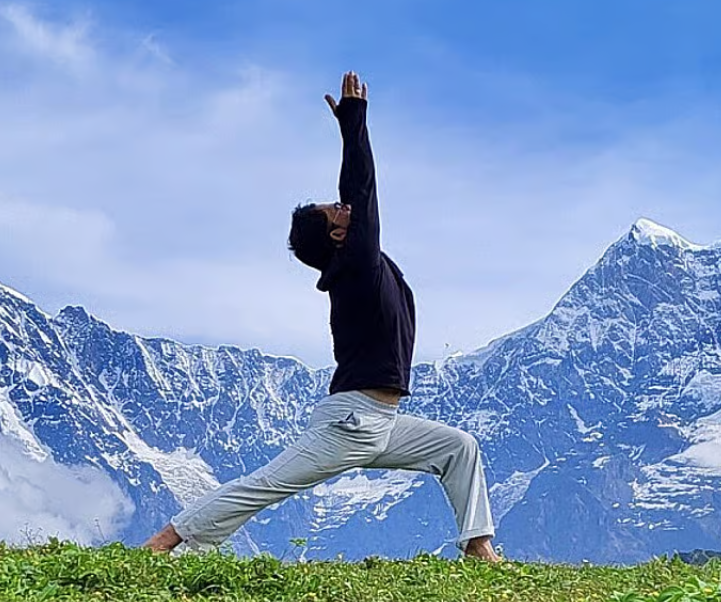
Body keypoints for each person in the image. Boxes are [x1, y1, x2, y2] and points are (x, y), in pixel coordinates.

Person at [142, 71, 500, 562]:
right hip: (352, 423)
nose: (346, 207)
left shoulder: (361, 265)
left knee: (458, 447)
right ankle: (166, 541)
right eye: (336, 209)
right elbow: (363, 189)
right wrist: (354, 123)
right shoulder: (354, 265)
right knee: (264, 486)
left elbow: (359, 201)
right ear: (337, 237)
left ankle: (478, 547)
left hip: (380, 420)